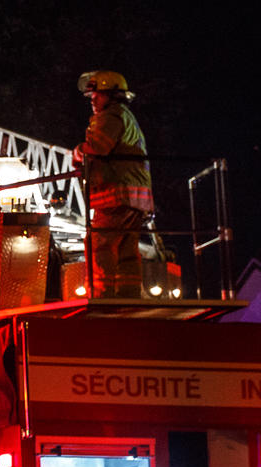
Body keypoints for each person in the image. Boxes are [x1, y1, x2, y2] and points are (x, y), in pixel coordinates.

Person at [72, 70, 153, 299]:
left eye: (96, 95)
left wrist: (77, 152)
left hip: (115, 194)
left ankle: (100, 294)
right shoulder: (127, 116)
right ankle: (128, 294)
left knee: (101, 245)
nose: (92, 100)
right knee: (127, 249)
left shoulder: (111, 116)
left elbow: (97, 147)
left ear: (111, 95)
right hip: (135, 197)